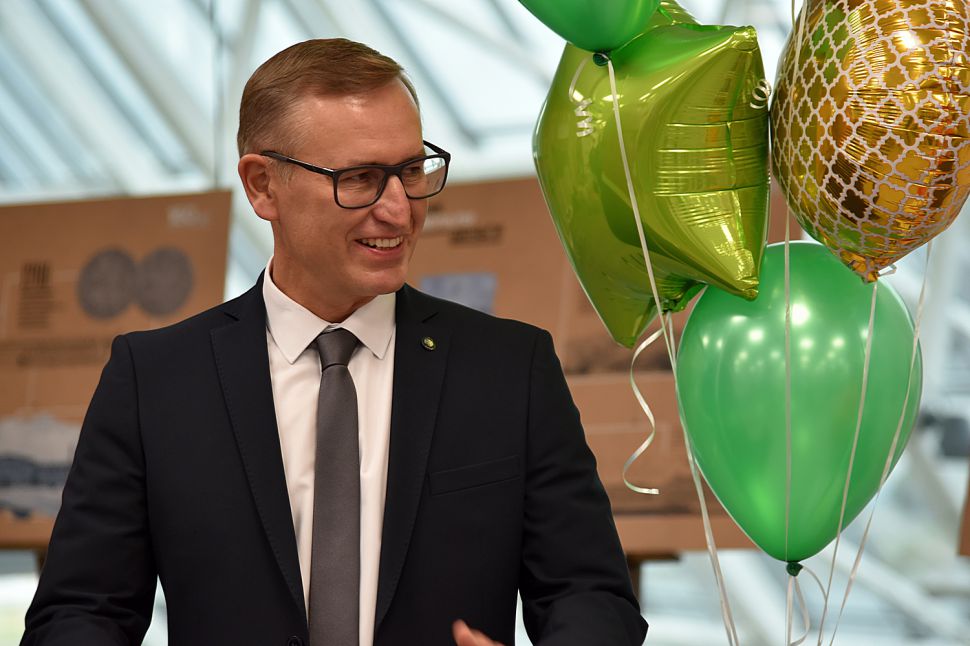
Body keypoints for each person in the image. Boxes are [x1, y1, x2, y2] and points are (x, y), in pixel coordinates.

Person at [21, 39, 647, 646]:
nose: (399, 209)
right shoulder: (154, 380)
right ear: (262, 186)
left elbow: (590, 594)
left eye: (411, 171)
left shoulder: (511, 369)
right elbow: (80, 610)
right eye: (361, 178)